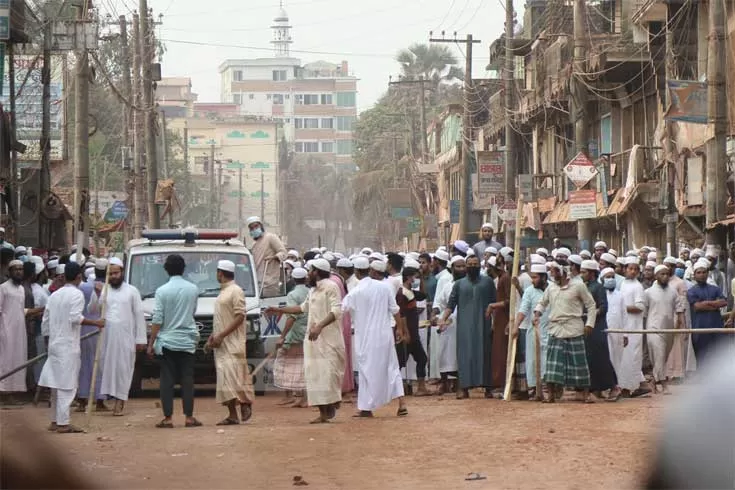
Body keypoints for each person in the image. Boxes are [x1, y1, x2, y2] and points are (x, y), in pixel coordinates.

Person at [266, 258, 345, 424]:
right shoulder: (313, 291)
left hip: (328, 340)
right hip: (313, 342)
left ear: (316, 272)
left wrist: (320, 327)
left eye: (310, 271)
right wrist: (278, 310)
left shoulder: (331, 287)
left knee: (329, 373)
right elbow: (301, 308)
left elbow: (336, 311)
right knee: (315, 375)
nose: (308, 274)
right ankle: (323, 411)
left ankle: (332, 402)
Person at [39, 263, 105, 433]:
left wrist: (50, 339)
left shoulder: (55, 295)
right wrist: (95, 322)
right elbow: (75, 318)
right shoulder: (76, 294)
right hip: (67, 344)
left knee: (56, 384)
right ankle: (63, 423)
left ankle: (55, 421)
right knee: (67, 386)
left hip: (55, 343)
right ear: (78, 277)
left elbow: (45, 321)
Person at [342, 257, 407, 417]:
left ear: (357, 272)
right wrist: (399, 329)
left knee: (365, 370)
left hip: (366, 338)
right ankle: (402, 403)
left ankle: (366, 408)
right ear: (369, 270)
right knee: (392, 367)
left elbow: (341, 309)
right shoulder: (385, 288)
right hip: (385, 335)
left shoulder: (356, 291)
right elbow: (395, 310)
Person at [147, 254, 201, 429]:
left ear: (166, 270)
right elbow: (192, 313)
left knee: (167, 380)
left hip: (167, 341)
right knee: (187, 379)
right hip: (187, 340)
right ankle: (189, 417)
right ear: (184, 269)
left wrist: (151, 343)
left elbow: (157, 319)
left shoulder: (162, 291)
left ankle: (168, 418)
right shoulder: (193, 289)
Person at [533, 264, 597, 403]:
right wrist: (537, 313)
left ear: (563, 272)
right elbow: (542, 302)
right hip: (555, 328)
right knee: (553, 364)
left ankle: (585, 394)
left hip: (574, 328)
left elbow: (591, 305)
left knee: (579, 363)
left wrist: (589, 324)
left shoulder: (578, 286)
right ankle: (550, 395)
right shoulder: (551, 287)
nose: (552, 274)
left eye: (555, 271)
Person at [94, 258, 147, 416]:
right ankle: (112, 397)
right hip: (107, 338)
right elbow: (97, 309)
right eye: (111, 273)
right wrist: (98, 295)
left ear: (122, 272)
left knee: (124, 369)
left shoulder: (132, 291)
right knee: (107, 368)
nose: (114, 276)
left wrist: (140, 339)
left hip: (125, 338)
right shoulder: (105, 290)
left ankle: (120, 402)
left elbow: (139, 316)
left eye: (116, 273)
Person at [440, 255, 496, 399]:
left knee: (486, 355)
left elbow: (494, 303)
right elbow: (450, 305)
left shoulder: (488, 282)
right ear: (466, 266)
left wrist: (495, 323)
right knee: (465, 356)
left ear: (480, 266)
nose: (472, 266)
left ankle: (488, 388)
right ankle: (464, 388)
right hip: (464, 327)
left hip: (484, 325)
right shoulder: (459, 284)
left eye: (475, 264)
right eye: (469, 264)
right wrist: (442, 319)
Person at [207, 260, 254, 425]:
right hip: (221, 345)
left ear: (220, 273)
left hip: (233, 344)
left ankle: (245, 403)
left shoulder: (236, 291)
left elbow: (240, 317)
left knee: (234, 378)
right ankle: (233, 414)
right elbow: (222, 320)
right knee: (225, 380)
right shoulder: (222, 293)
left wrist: (222, 335)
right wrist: (213, 336)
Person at [580, 260, 619, 400]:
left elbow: (603, 307)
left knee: (602, 359)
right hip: (586, 328)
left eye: (584, 272)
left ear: (591, 273)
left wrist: (591, 314)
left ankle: (614, 387)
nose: (581, 274)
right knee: (590, 359)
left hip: (597, 328)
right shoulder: (584, 287)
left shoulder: (598, 287)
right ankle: (595, 389)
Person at [511, 263, 549, 401]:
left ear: (544, 277)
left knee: (547, 361)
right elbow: (523, 310)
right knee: (532, 361)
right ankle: (534, 389)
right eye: (531, 277)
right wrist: (516, 326)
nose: (532, 280)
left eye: (535, 277)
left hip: (551, 331)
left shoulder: (553, 289)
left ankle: (547, 389)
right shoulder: (529, 291)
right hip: (534, 331)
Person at [644, 264, 684, 395]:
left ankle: (654, 381)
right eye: (662, 274)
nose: (665, 276)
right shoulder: (648, 292)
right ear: (656, 276)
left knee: (662, 357)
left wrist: (679, 324)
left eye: (667, 274)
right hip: (653, 329)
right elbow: (644, 313)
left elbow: (679, 309)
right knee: (659, 355)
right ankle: (663, 383)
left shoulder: (672, 291)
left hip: (669, 329)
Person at [273, 267, 310, 407]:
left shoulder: (293, 294)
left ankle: (297, 397)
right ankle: (299, 397)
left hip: (295, 333)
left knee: (288, 364)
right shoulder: (310, 291)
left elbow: (292, 317)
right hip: (307, 331)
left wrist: (282, 336)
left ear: (293, 279)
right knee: (302, 365)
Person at [76, 259, 108, 412]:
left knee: (85, 363)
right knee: (100, 364)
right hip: (100, 327)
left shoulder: (84, 287)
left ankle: (82, 399)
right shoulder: (108, 287)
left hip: (85, 328)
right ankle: (100, 400)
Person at [395, 261, 430, 397]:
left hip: (412, 333)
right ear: (409, 277)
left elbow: (423, 294)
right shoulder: (402, 293)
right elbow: (401, 314)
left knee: (420, 359)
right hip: (408, 333)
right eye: (414, 277)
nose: (415, 279)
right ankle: (396, 389)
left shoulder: (410, 292)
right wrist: (405, 332)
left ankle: (420, 387)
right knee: (400, 362)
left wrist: (421, 279)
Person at [687, 259, 729, 365]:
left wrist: (706, 303)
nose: (701, 275)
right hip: (700, 327)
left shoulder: (715, 289)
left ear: (707, 273)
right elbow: (697, 307)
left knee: (718, 353)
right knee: (702, 354)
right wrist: (715, 305)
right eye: (699, 272)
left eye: (704, 272)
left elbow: (723, 302)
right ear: (694, 275)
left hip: (716, 325)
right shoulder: (691, 291)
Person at [433, 256, 464, 395]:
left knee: (460, 354)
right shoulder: (447, 286)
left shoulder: (468, 285)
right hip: (448, 323)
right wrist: (434, 314)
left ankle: (459, 384)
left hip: (464, 323)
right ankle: (444, 382)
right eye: (458, 266)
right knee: (445, 352)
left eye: (463, 266)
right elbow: (438, 303)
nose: (461, 269)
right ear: (452, 268)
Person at [618, 257, 649, 397]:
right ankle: (629, 386)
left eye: (635, 269)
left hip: (633, 326)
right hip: (622, 325)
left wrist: (622, 308)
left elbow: (640, 307)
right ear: (625, 269)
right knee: (624, 358)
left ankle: (632, 387)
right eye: (630, 268)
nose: (633, 271)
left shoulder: (638, 286)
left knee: (633, 356)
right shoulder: (622, 284)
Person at [0, 260, 29, 404]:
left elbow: (20, 311)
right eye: (15, 269)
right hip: (5, 331)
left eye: (21, 269)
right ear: (9, 272)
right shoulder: (3, 288)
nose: (19, 272)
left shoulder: (21, 289)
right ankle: (4, 393)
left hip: (19, 331)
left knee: (17, 359)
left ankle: (12, 392)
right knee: (5, 361)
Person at [246, 216, 287, 297]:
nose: (254, 229)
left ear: (261, 226)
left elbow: (284, 252)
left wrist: (274, 257)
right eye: (251, 228)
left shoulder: (270, 237)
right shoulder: (254, 244)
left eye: (256, 226)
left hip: (270, 282)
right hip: (256, 282)